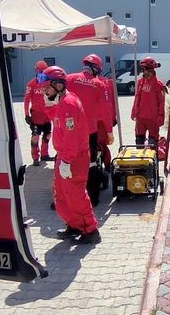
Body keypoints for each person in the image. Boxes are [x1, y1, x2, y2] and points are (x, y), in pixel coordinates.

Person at [39, 66, 101, 244]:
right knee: (61, 195)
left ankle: (90, 230)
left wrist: (66, 160)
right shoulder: (61, 101)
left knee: (75, 195)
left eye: (47, 87)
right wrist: (49, 103)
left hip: (73, 157)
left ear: (58, 85)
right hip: (65, 156)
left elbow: (71, 136)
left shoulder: (69, 104)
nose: (45, 89)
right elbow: (55, 120)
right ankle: (74, 225)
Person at [66, 54, 114, 206]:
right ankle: (92, 199)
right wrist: (109, 131)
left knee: (68, 162)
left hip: (70, 130)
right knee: (91, 163)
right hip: (89, 131)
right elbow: (106, 110)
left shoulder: (69, 79)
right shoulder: (99, 84)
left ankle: (68, 197)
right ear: (96, 69)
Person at [131, 57, 166, 146]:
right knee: (139, 142)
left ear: (150, 70)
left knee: (152, 144)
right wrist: (133, 112)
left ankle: (154, 159)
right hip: (140, 119)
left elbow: (162, 103)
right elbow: (137, 97)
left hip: (153, 119)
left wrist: (161, 117)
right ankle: (140, 160)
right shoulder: (140, 82)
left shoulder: (158, 85)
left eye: (144, 70)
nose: (142, 72)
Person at [24, 60, 53, 166]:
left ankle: (44, 155)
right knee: (35, 136)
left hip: (48, 115)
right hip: (36, 116)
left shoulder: (50, 83)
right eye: (39, 70)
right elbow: (26, 100)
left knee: (48, 135)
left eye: (43, 70)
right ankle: (35, 157)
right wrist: (26, 114)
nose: (41, 72)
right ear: (36, 71)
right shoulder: (31, 84)